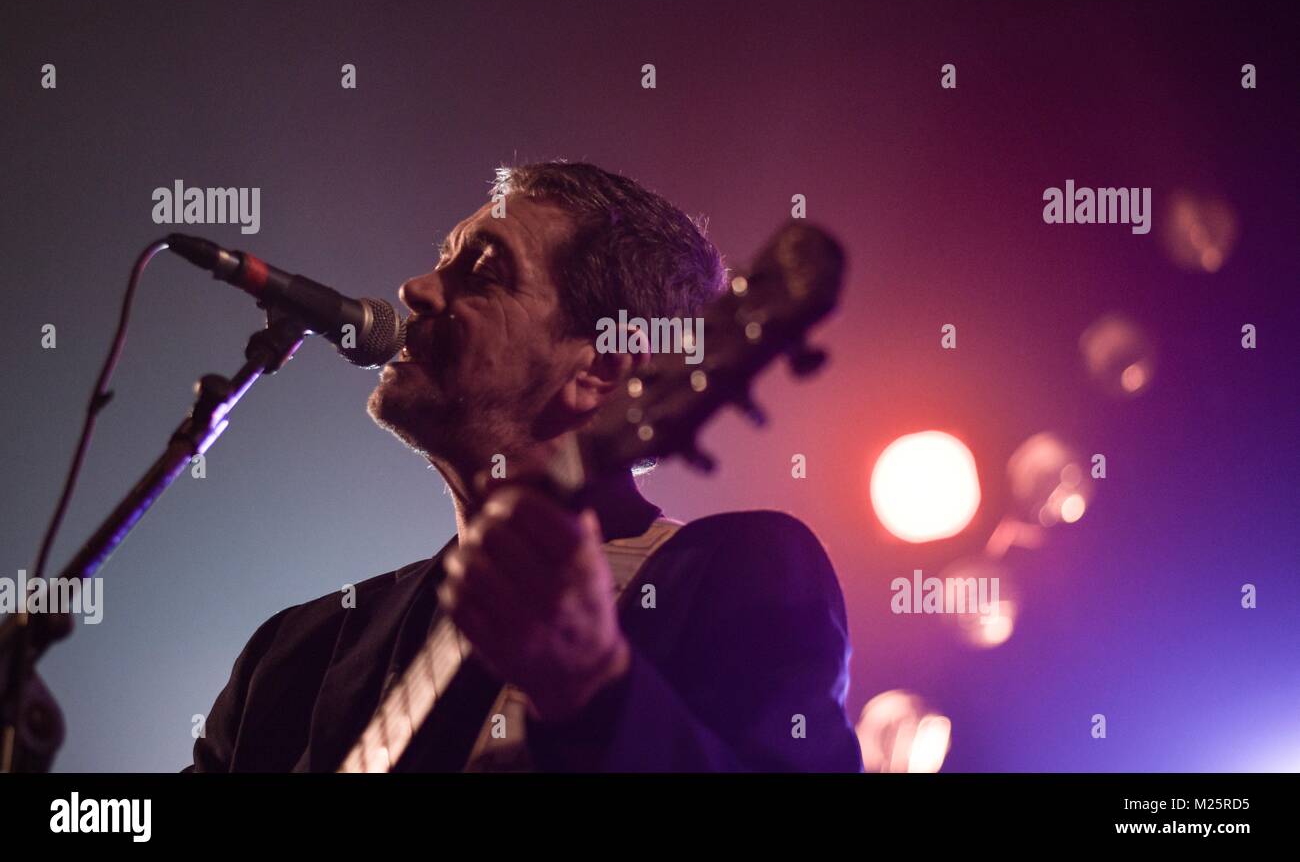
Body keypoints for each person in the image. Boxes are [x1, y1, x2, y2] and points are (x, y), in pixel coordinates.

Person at [187, 161, 862, 772]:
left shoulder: (736, 573)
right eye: (442, 261)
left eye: (481, 273)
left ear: (600, 369)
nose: (415, 289)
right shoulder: (293, 655)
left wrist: (592, 688)